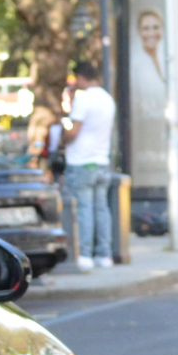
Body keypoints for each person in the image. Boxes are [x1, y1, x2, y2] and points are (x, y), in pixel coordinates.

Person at [61, 59, 118, 270]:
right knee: (101, 208)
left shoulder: (83, 100)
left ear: (81, 78)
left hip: (82, 161)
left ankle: (84, 254)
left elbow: (74, 132)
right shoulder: (107, 99)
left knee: (84, 209)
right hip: (102, 160)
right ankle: (104, 254)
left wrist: (63, 138)